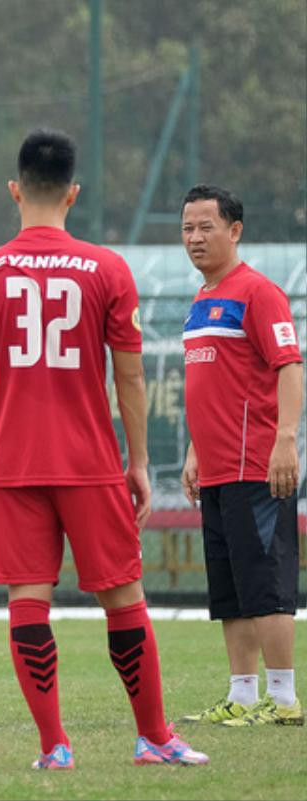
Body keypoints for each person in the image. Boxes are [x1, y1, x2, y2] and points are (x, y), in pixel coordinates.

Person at [0, 128, 207, 769]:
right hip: (91, 463)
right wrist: (140, 463)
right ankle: (153, 737)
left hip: (13, 464)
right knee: (123, 597)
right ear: (73, 193)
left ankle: (54, 747)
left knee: (28, 601)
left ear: (15, 190)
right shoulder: (108, 268)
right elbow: (129, 375)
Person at [176, 184, 303, 727]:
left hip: (257, 467)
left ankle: (285, 700)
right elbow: (209, 386)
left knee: (265, 585)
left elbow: (289, 366)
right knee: (229, 589)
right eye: (187, 228)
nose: (195, 238)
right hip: (217, 470)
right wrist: (193, 452)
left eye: (206, 226)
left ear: (235, 230)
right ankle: (243, 694)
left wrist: (286, 438)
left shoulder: (259, 292)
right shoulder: (203, 299)